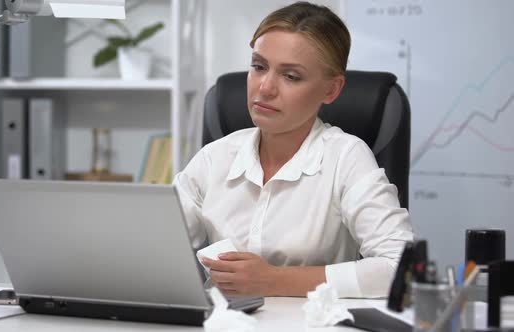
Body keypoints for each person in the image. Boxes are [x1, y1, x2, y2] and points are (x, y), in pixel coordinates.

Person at [173, 1, 413, 298]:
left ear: (332, 90)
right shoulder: (214, 159)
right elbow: (156, 247)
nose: (265, 88)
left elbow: (400, 268)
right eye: (259, 67)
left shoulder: (346, 157)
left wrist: (273, 280)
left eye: (291, 76)